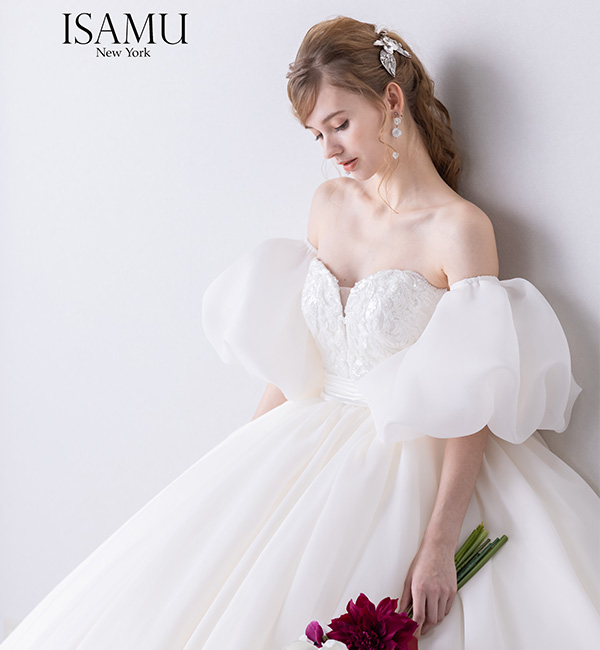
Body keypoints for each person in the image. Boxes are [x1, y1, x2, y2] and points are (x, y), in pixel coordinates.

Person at [1, 14, 599, 650]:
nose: (329, 151)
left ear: (391, 100)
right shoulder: (328, 205)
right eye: (317, 134)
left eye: (340, 124)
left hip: (408, 461)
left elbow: (474, 399)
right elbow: (300, 358)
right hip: (304, 436)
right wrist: (239, 463)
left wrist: (437, 543)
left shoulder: (460, 230)